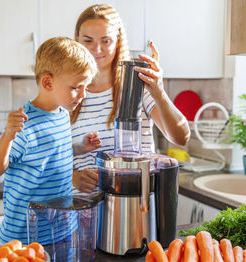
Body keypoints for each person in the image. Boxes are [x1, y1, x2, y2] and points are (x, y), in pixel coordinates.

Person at [0, 36, 99, 245]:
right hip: (26, 237)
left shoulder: (61, 114)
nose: (83, 94)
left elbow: (51, 151)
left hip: (63, 228)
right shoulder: (25, 125)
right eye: (76, 87)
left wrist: (80, 147)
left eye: (85, 86)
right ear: (48, 82)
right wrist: (7, 136)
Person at [71, 4, 191, 193]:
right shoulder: (69, 92)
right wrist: (73, 177)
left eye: (106, 41)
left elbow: (181, 137)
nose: (97, 49)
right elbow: (51, 156)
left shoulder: (137, 87)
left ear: (118, 41)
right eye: (88, 40)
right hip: (82, 213)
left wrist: (159, 91)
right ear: (77, 39)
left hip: (134, 209)